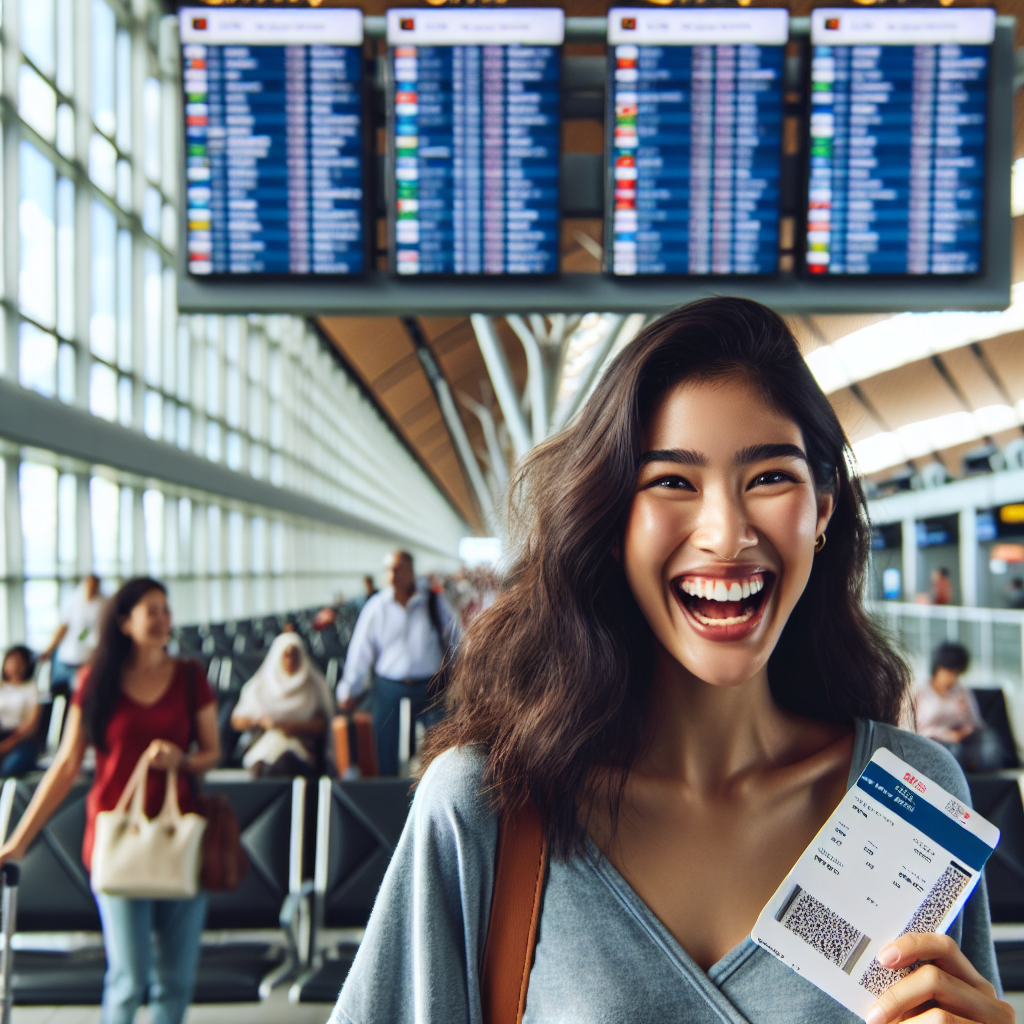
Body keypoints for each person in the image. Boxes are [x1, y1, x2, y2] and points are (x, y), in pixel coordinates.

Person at [333, 299, 1009, 1024]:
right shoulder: (488, 806)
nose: (725, 534)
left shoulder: (906, 797)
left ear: (823, 508)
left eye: (771, 478)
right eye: (672, 482)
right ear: (611, 519)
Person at [0, 577, 221, 1024]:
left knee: (175, 980)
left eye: (165, 609)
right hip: (116, 837)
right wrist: (18, 842)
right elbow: (65, 766)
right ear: (123, 621)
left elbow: (213, 752)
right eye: (151, 610)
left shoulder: (190, 677)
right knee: (128, 977)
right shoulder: (96, 681)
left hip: (180, 834)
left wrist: (181, 759)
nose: (163, 620)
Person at [337, 550, 454, 776]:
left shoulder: (432, 602)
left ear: (411, 571)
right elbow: (361, 651)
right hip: (389, 688)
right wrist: (350, 689)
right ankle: (389, 792)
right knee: (385, 745)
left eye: (398, 568)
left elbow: (455, 638)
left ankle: (426, 789)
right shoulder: (377, 607)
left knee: (435, 745)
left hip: (430, 688)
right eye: (389, 569)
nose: (392, 574)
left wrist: (463, 676)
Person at [231, 632, 335, 776]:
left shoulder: (314, 686)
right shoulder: (259, 686)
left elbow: (321, 724)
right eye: (286, 655)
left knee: (286, 763)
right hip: (264, 747)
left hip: (302, 750)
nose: (291, 660)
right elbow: (237, 721)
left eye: (295, 654)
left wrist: (285, 727)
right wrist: (260, 722)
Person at [914, 642, 1006, 772]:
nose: (951, 678)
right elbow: (913, 728)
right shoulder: (919, 691)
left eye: (956, 674)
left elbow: (974, 722)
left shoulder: (962, 691)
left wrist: (962, 731)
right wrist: (946, 735)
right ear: (937, 668)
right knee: (953, 752)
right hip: (931, 743)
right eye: (948, 672)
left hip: (963, 742)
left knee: (989, 744)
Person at [40, 574, 104, 696]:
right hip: (68, 658)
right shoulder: (73, 602)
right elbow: (62, 628)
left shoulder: (103, 605)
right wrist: (49, 650)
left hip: (89, 658)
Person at [0, 645, 41, 776]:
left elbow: (30, 726)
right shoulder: (2, 687)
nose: (15, 666)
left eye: (19, 662)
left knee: (9, 768)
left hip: (21, 741)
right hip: (2, 735)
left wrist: (7, 744)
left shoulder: (32, 689)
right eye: (11, 661)